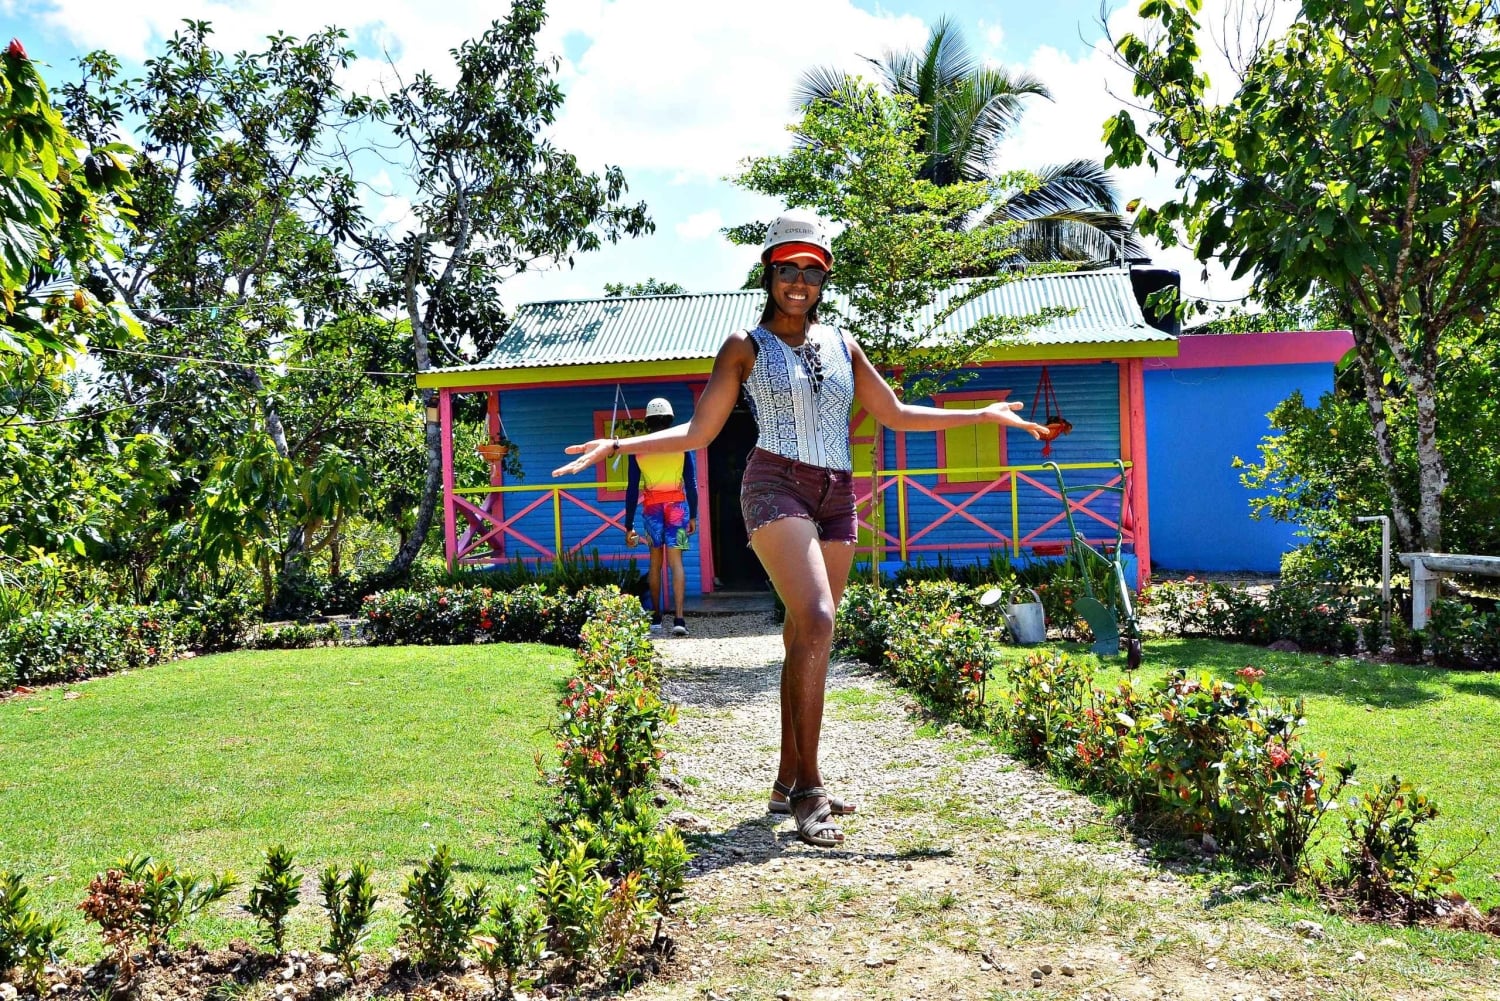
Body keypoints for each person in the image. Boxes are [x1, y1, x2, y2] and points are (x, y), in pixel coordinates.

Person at [555, 208, 1046, 848]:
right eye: (787, 269)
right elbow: (703, 432)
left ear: (823, 281)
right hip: (773, 483)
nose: (799, 282)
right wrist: (620, 448)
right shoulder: (744, 347)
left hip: (838, 490)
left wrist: (981, 413)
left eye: (811, 272)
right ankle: (810, 790)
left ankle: (787, 779)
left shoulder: (845, 345)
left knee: (803, 637)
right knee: (817, 618)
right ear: (769, 273)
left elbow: (893, 414)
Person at [623, 397, 698, 636]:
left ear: (648, 420)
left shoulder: (637, 448)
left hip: (651, 510)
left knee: (655, 563)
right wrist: (693, 515)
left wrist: (628, 524)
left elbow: (632, 487)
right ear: (669, 418)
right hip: (677, 508)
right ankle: (679, 619)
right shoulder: (681, 445)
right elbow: (691, 484)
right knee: (676, 562)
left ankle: (656, 617)